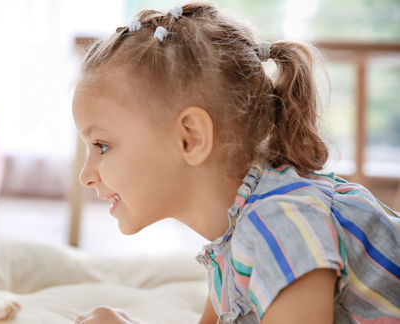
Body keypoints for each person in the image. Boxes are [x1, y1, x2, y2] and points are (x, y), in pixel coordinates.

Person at [71, 2, 400, 323]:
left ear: (191, 138)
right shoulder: (233, 239)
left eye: (102, 145)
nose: (86, 176)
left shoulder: (282, 225)